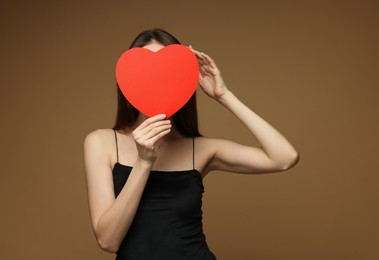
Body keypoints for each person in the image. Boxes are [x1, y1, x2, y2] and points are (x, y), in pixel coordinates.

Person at [83, 28, 299, 260]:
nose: (156, 79)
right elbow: (108, 240)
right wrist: (144, 161)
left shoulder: (202, 149)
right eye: (146, 71)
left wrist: (223, 95)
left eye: (166, 71)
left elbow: (284, 157)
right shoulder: (102, 142)